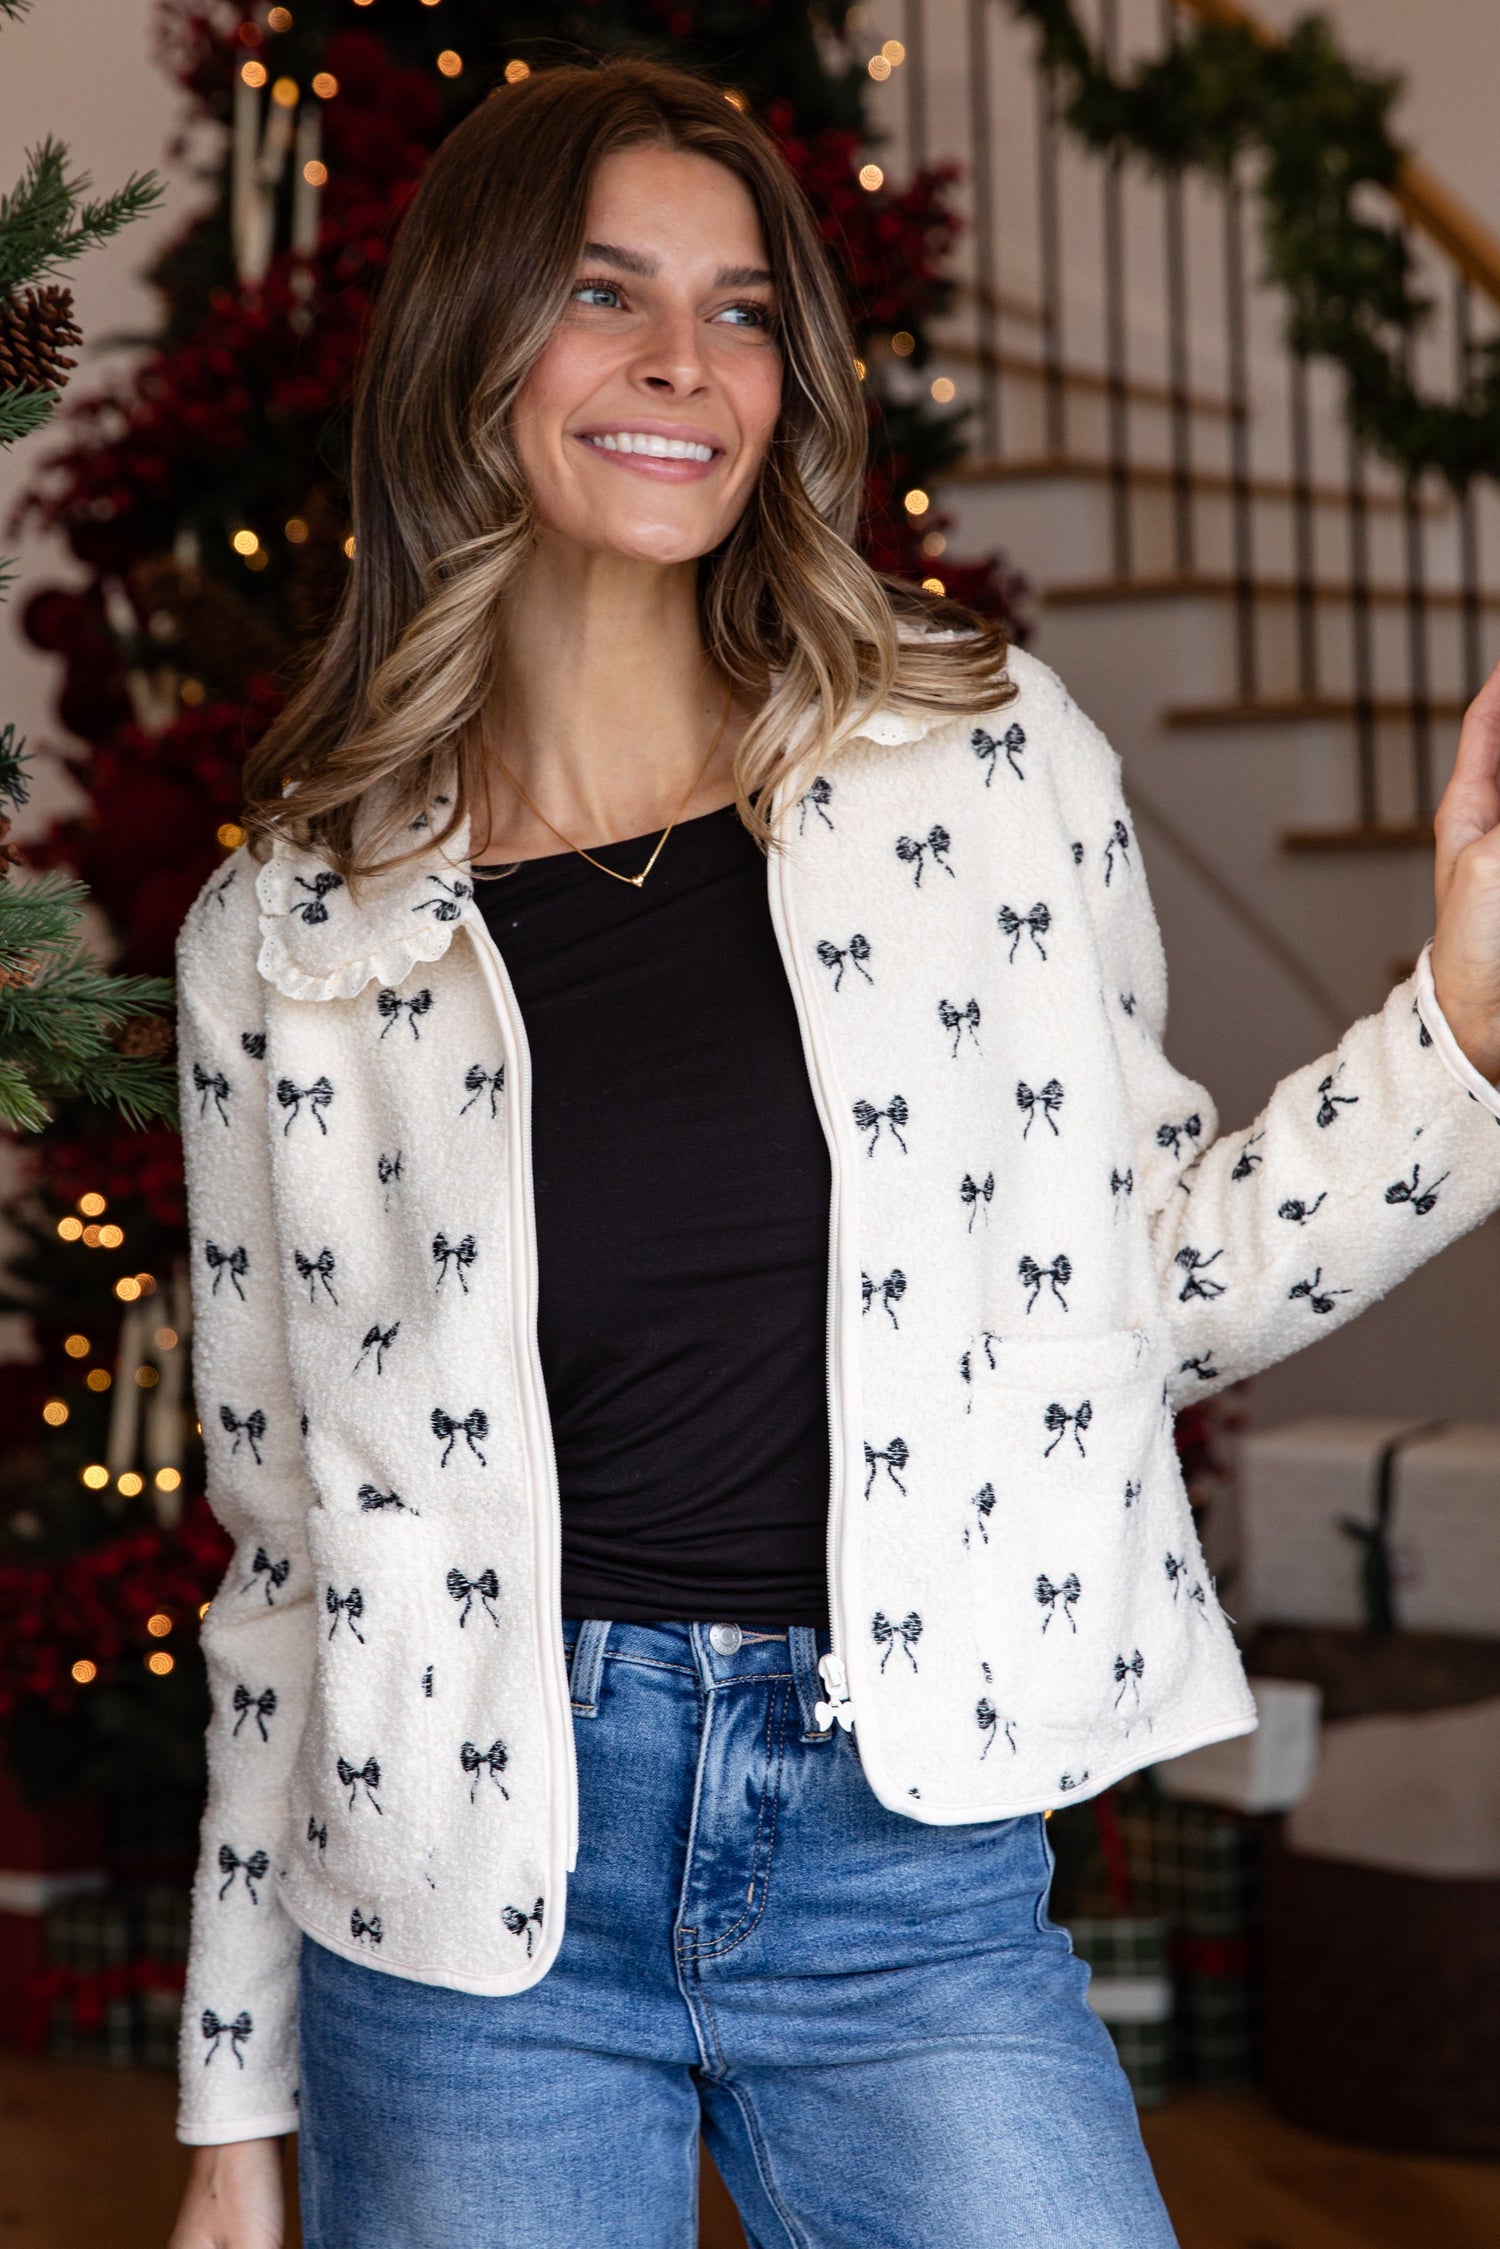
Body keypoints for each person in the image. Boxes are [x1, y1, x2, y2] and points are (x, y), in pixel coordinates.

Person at [166, 56, 1500, 2249]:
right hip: (467, 1904)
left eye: (745, 308)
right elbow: (287, 1543)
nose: (687, 361)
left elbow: (1153, 1284)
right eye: (606, 293)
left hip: (906, 1860)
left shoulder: (977, 772)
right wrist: (234, 2114)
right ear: (474, 338)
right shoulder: (294, 940)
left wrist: (1462, 1032)